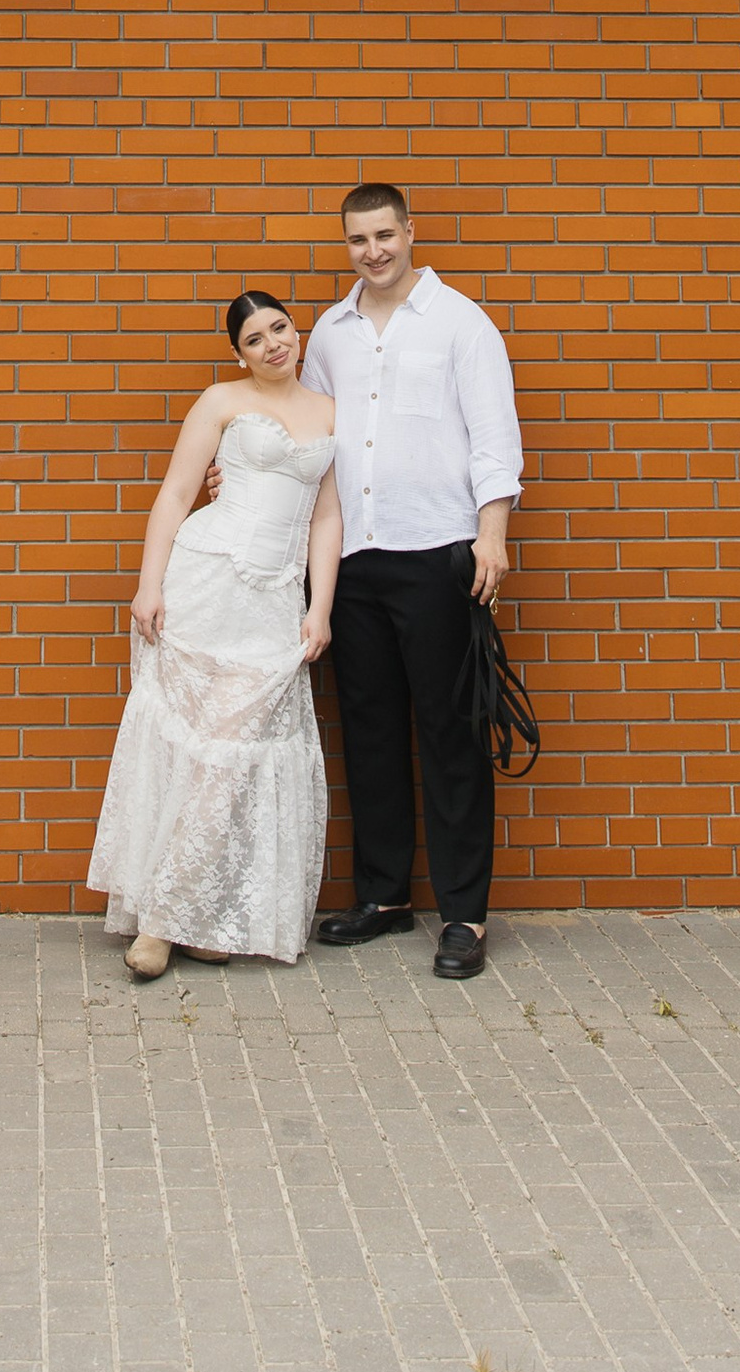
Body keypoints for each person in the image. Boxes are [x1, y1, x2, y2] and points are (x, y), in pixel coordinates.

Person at [88, 290, 344, 979]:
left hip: (272, 606)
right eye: (255, 339)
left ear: (298, 332)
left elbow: (326, 519)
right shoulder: (220, 401)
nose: (272, 345)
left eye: (280, 328)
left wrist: (320, 608)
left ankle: (190, 910)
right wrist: (149, 583)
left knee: (236, 755)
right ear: (240, 353)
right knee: (197, 755)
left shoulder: (328, 412)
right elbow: (176, 492)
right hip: (205, 583)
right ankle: (167, 924)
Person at [305, 184, 522, 981]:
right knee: (369, 732)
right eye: (359, 239)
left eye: (385, 235)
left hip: (438, 553)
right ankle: (384, 896)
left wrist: (491, 533)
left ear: (409, 232)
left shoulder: (461, 323)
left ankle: (464, 914)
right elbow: (309, 429)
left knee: (451, 735)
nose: (373, 251)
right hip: (353, 558)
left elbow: (495, 434)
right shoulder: (329, 331)